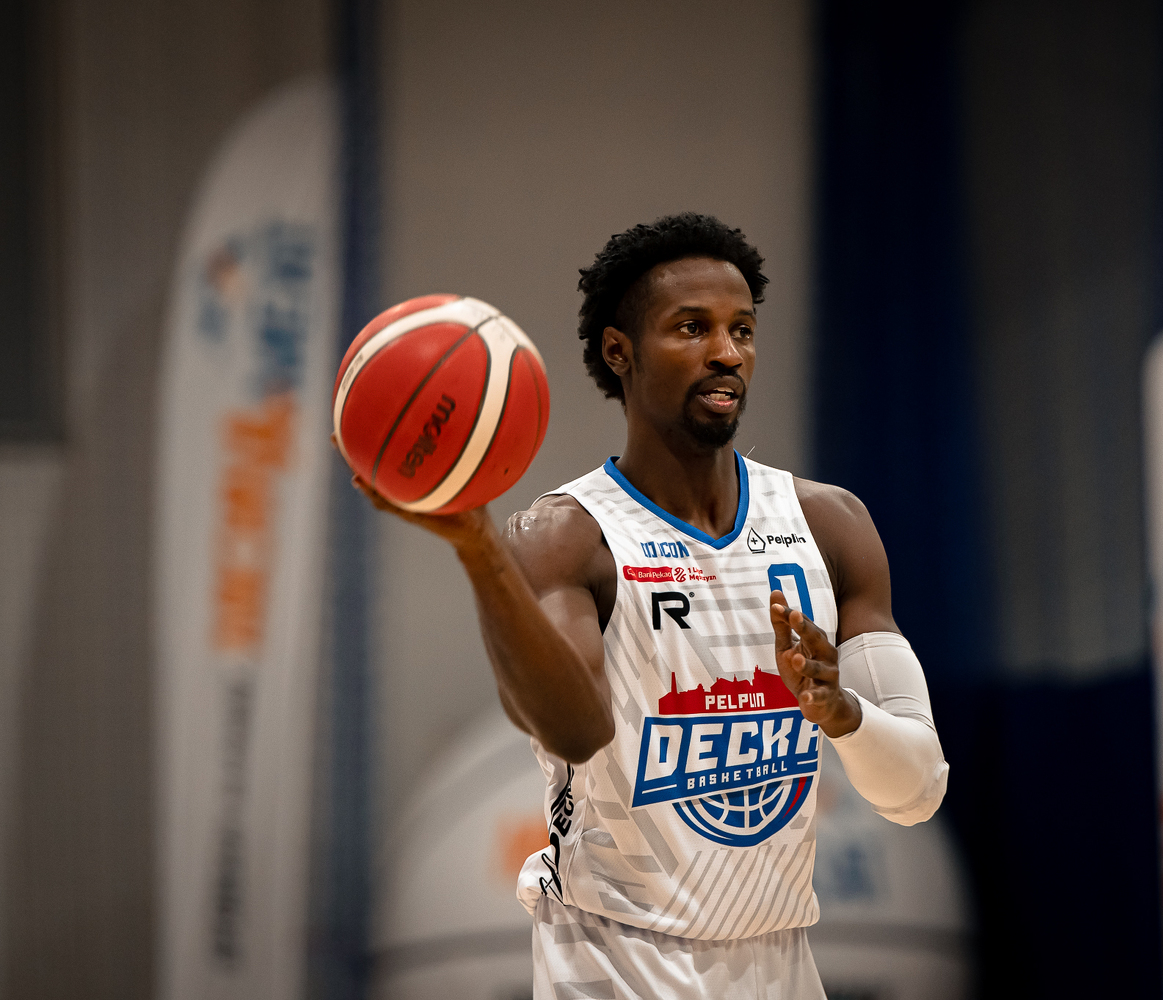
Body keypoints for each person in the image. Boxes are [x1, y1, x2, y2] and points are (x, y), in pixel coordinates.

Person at [354, 213, 949, 999]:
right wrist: (476, 546)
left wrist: (845, 717)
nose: (726, 352)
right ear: (618, 351)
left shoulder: (830, 527)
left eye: (741, 329)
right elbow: (575, 730)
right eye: (691, 328)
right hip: (614, 967)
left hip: (780, 965)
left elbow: (915, 793)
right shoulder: (565, 538)